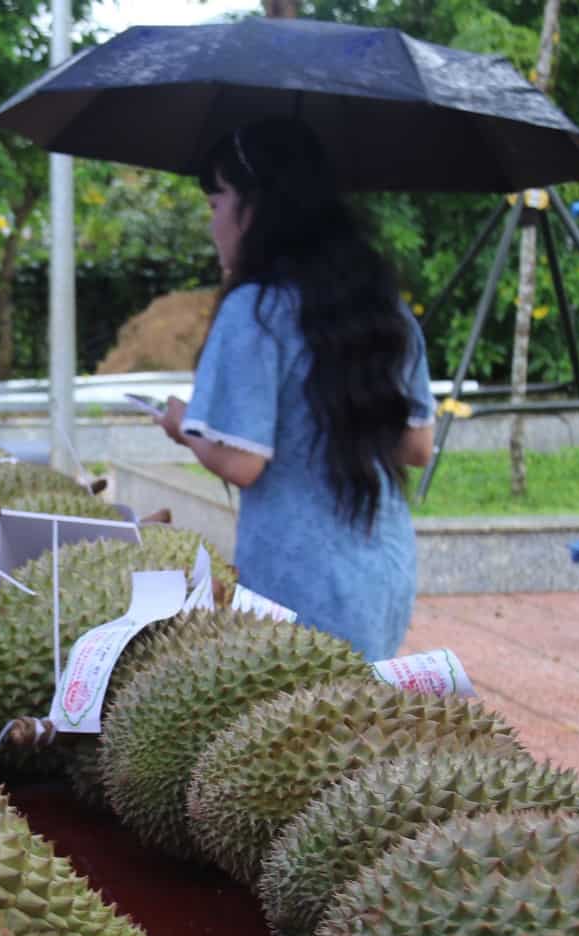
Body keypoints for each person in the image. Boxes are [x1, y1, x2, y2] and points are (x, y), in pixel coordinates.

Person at [159, 118, 435, 660]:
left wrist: (182, 426)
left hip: (297, 580)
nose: (213, 223)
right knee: (352, 727)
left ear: (254, 209)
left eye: (216, 204)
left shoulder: (255, 310)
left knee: (299, 734)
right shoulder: (382, 307)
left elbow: (242, 464)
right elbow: (416, 448)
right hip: (383, 569)